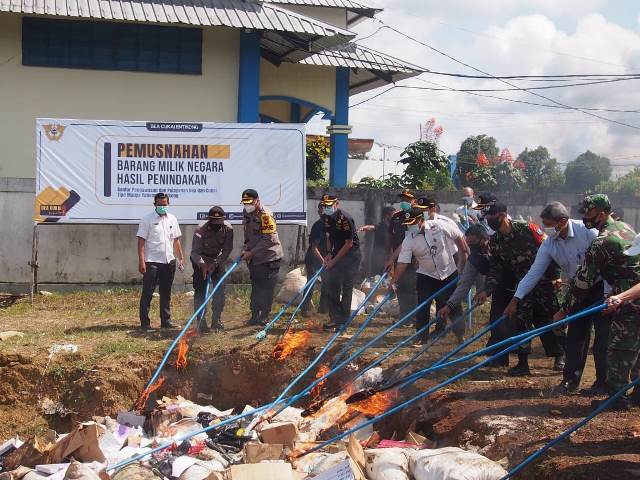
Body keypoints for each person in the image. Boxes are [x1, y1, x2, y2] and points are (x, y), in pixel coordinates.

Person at [502, 202, 601, 392]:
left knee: (602, 337)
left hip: (600, 286)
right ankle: (569, 381)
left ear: (563, 221)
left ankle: (603, 383)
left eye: (549, 225)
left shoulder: (588, 233)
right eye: (544, 225)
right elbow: (533, 273)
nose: (546, 229)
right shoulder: (549, 243)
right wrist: (515, 299)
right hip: (577, 289)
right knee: (575, 336)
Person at [557, 194, 640, 411]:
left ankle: (617, 398)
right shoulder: (626, 228)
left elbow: (583, 282)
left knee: (619, 348)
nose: (584, 217)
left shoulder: (601, 242)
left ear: (601, 214)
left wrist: (563, 309)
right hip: (629, 294)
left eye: (588, 213)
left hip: (630, 302)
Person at [474, 202, 565, 376]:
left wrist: (556, 276)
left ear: (501, 215)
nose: (488, 221)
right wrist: (487, 290)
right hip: (522, 287)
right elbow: (496, 270)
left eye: (491, 217)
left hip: (545, 284)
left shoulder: (528, 229)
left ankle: (560, 355)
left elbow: (551, 250)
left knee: (552, 319)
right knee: (522, 322)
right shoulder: (495, 241)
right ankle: (523, 363)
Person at [391, 208, 469, 344]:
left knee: (453, 305)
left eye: (413, 222)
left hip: (448, 272)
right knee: (423, 306)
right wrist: (393, 282)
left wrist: (463, 257)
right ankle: (421, 337)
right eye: (408, 224)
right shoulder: (409, 240)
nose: (411, 226)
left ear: (421, 220)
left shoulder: (438, 225)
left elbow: (457, 236)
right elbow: (402, 263)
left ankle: (460, 334)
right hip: (426, 275)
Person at [136, 192, 184, 330]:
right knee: (147, 293)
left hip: (169, 261)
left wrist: (180, 258)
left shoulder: (172, 219)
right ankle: (145, 323)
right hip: (152, 262)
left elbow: (176, 240)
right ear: (155, 204)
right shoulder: (147, 220)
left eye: (165, 204)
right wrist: (141, 261)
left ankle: (166, 321)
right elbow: (141, 241)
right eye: (160, 204)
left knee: (166, 293)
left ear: (168, 204)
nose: (162, 207)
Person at [241, 189, 284, 326]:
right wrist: (246, 248)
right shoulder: (246, 212)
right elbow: (248, 233)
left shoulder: (266, 215)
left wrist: (251, 252)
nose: (247, 205)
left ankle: (264, 316)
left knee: (266, 288)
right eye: (245, 203)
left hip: (270, 257)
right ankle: (254, 315)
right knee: (256, 287)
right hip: (255, 258)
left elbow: (268, 239)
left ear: (257, 200)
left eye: (250, 202)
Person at [321, 194, 362, 330]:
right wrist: (328, 253)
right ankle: (334, 318)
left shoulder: (345, 219)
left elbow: (349, 244)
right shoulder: (325, 217)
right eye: (325, 205)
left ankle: (343, 320)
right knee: (332, 284)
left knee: (347, 286)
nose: (327, 208)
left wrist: (334, 261)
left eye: (329, 205)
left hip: (351, 255)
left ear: (336, 204)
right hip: (337, 252)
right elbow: (328, 237)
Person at [190, 206, 233, 332]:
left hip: (217, 261)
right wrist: (203, 265)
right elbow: (195, 252)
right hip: (200, 260)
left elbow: (227, 250)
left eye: (219, 221)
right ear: (209, 220)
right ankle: (201, 321)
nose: (217, 224)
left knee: (219, 291)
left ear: (223, 219)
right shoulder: (200, 229)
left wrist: (216, 263)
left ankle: (216, 320)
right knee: (200, 291)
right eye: (214, 222)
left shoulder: (228, 229)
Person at [301, 202, 329, 316]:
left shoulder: (330, 225)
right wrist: (323, 262)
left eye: (324, 209)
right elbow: (314, 248)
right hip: (313, 258)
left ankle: (323, 308)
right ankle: (305, 308)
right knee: (311, 283)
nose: (322, 212)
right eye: (320, 210)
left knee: (327, 282)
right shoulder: (318, 226)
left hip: (325, 259)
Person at [358, 206, 395, 276]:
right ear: (387, 216)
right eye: (393, 215)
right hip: (379, 254)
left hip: (390, 253)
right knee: (377, 274)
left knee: (387, 274)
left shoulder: (394, 226)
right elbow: (372, 227)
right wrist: (364, 228)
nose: (395, 217)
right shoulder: (381, 226)